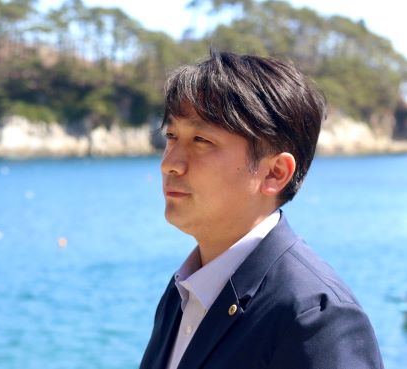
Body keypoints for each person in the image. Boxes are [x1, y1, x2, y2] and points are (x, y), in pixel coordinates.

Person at [139, 50, 384, 369]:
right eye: (172, 136)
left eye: (200, 140)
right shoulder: (182, 293)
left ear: (275, 173)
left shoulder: (316, 319)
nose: (170, 163)